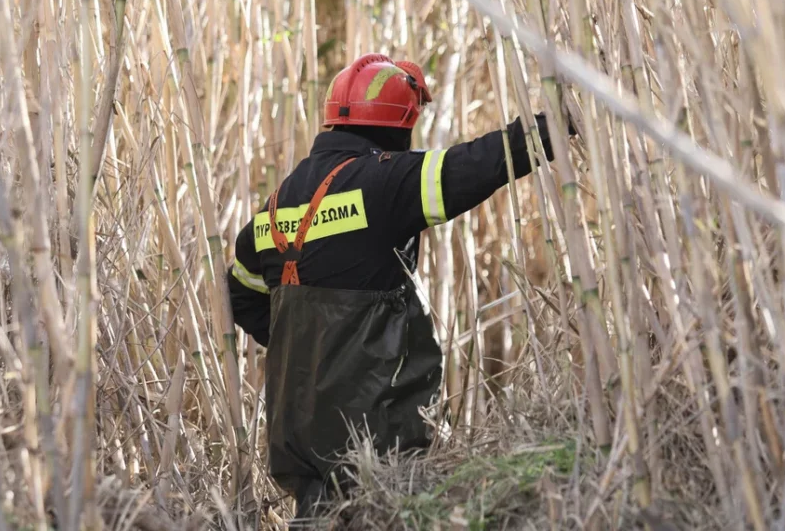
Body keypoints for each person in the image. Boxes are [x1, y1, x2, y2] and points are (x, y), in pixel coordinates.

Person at [225, 53, 577, 525]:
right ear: (401, 125)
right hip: (374, 426)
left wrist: (310, 343)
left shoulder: (273, 208)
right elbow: (476, 164)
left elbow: (241, 295)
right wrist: (558, 124)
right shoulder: (384, 182)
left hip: (299, 431)